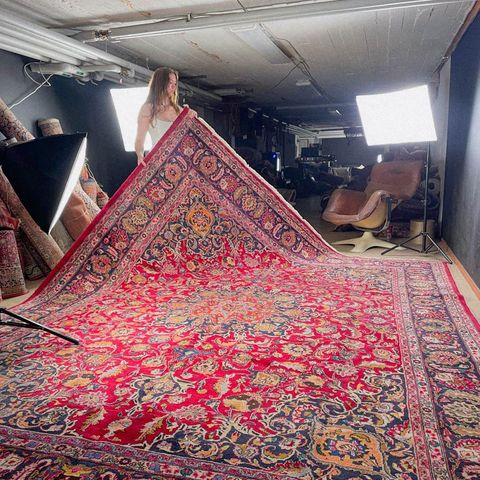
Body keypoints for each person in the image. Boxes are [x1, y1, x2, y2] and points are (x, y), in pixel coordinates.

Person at [134, 67, 182, 166]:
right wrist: (140, 155)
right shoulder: (148, 108)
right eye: (170, 83)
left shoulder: (178, 110)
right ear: (160, 83)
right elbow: (140, 139)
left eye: (175, 84)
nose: (173, 87)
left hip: (180, 161)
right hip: (157, 162)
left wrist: (192, 115)